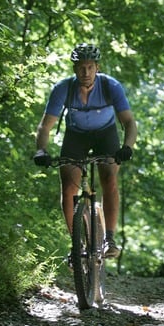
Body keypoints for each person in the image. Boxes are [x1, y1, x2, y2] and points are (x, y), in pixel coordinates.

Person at [34, 43, 137, 259]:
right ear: (74, 69)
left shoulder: (111, 86)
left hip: (105, 134)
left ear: (97, 67)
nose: (86, 72)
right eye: (81, 67)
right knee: (69, 187)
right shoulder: (63, 88)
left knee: (109, 178)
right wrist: (41, 150)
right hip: (76, 135)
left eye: (90, 67)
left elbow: (128, 122)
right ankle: (76, 244)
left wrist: (127, 147)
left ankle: (109, 238)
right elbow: (45, 126)